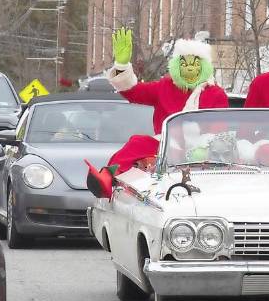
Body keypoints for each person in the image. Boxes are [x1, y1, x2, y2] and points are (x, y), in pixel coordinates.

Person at [86, 29, 228, 198]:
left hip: (201, 150)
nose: (189, 68)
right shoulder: (164, 87)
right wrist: (122, 65)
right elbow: (132, 91)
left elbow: (220, 130)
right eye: (184, 64)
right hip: (164, 146)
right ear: (177, 65)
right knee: (137, 144)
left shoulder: (216, 94)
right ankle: (108, 179)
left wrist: (201, 146)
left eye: (194, 64)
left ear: (203, 66)